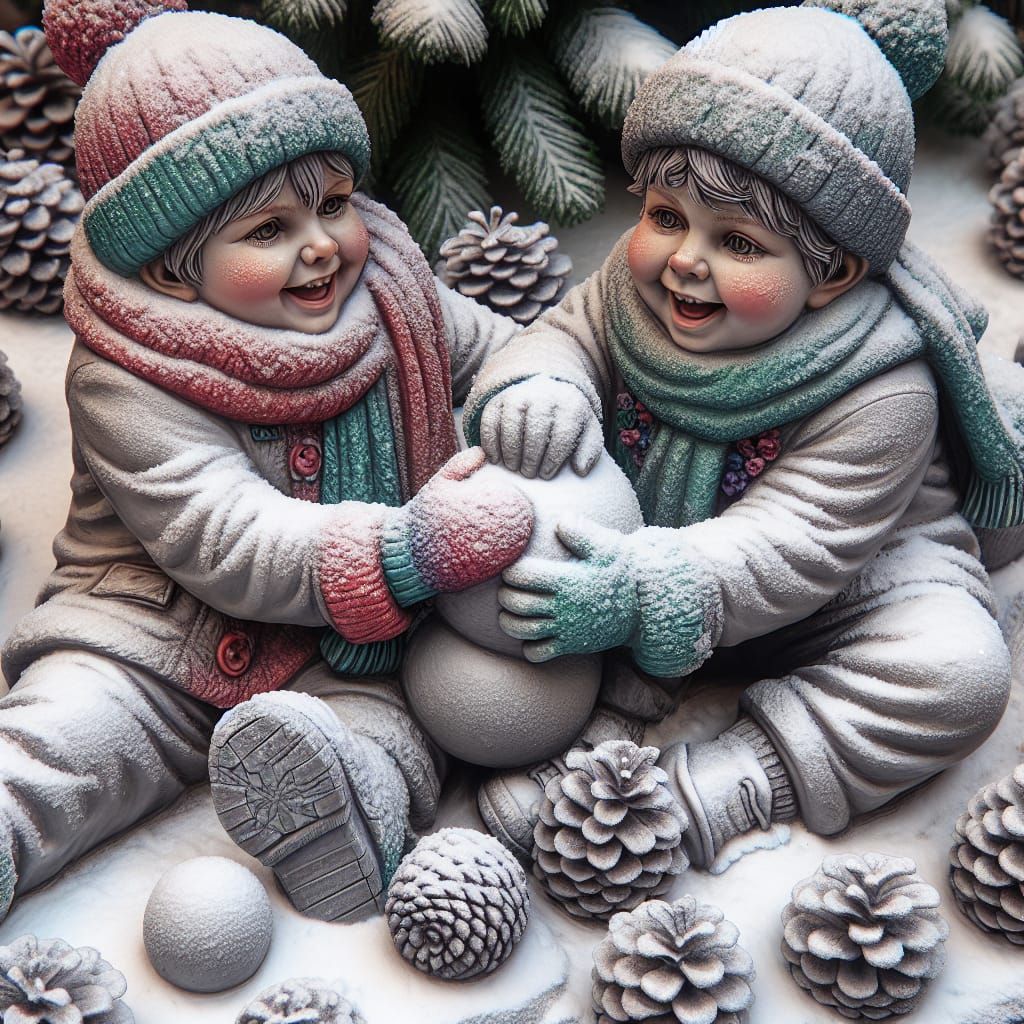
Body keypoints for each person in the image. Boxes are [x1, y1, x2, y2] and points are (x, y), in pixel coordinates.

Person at [0, 0, 531, 924]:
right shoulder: (126, 376)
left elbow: (501, 354)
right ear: (171, 269)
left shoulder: (394, 292)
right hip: (160, 630)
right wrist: (405, 550)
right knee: (69, 739)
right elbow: (221, 534)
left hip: (361, 642)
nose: (320, 244)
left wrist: (539, 394)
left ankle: (341, 807)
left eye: (331, 205)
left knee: (407, 719)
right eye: (268, 230)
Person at [465, 0, 1022, 870]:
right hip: (630, 558)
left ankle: (734, 782)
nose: (686, 259)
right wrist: (543, 381)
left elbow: (798, 540)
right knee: (506, 541)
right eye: (666, 217)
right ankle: (562, 736)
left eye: (738, 242)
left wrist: (647, 594)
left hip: (842, 586)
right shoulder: (633, 291)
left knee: (958, 671)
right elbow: (565, 333)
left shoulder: (882, 384)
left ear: (832, 273)